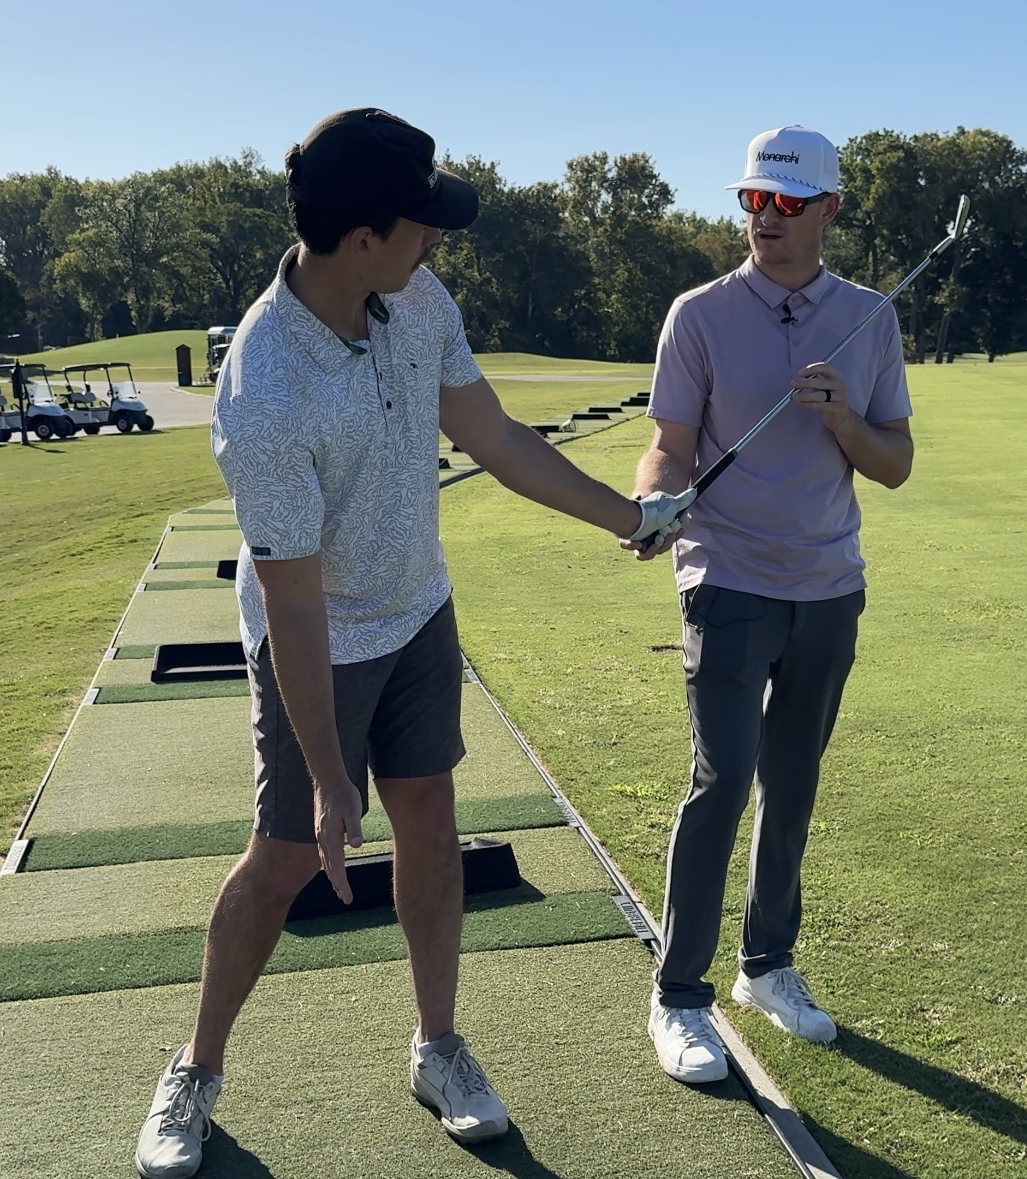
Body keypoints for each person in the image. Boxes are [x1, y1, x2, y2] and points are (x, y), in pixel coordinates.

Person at [132, 108, 687, 1179]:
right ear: (359, 240)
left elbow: (489, 433)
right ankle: (195, 1070)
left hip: (416, 609)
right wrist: (333, 777)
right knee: (288, 854)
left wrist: (626, 518)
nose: (434, 241)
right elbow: (292, 607)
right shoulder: (264, 390)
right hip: (316, 641)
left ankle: (437, 1048)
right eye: (419, 225)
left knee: (429, 828)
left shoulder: (411, 292)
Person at [625, 125, 913, 1084]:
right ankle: (678, 994)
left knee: (793, 781)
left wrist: (842, 417)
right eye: (755, 200)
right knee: (724, 778)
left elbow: (897, 464)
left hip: (830, 586)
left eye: (788, 203)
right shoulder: (699, 314)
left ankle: (768, 964)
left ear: (829, 209)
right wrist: (658, 494)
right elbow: (669, 444)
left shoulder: (872, 317)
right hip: (728, 577)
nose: (767, 219)